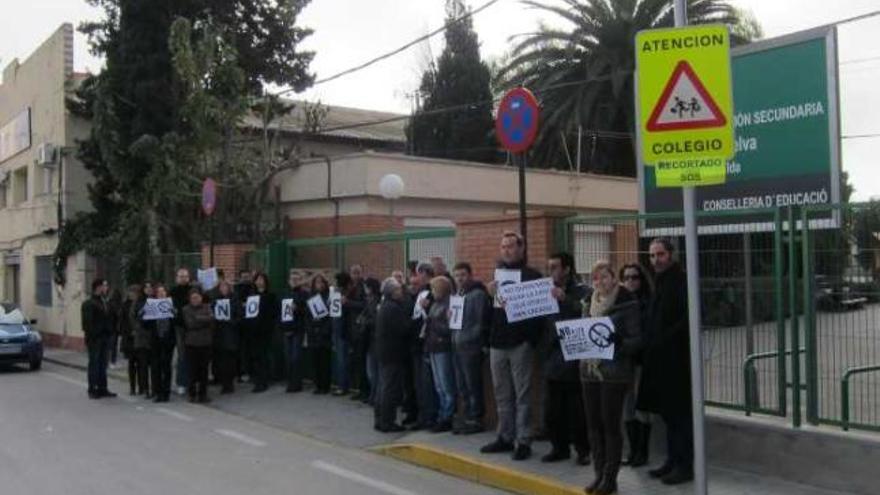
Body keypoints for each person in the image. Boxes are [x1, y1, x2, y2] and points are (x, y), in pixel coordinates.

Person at [581, 261, 643, 495]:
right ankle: (598, 475)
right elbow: (582, 332)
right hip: (589, 370)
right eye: (595, 278)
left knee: (610, 425)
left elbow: (636, 340)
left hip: (615, 373)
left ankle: (610, 477)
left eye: (604, 277)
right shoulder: (587, 303)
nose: (600, 282)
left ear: (613, 279)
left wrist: (618, 343)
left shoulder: (627, 303)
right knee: (593, 425)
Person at [481, 231, 543, 461]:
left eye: (511, 246)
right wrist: (489, 296)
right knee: (502, 394)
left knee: (523, 395)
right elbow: (490, 313)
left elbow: (539, 312)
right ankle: (505, 436)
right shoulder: (496, 277)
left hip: (520, 344)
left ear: (521, 248)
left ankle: (523, 440)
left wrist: (530, 340)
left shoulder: (532, 275)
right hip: (497, 343)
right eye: (503, 246)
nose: (507, 250)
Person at [637, 238, 693, 485]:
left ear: (671, 255)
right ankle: (672, 461)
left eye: (660, 255)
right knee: (668, 416)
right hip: (660, 360)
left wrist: (665, 339)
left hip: (677, 361)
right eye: (651, 256)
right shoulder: (660, 280)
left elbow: (687, 318)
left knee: (680, 416)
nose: (655, 260)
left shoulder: (681, 280)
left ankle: (684, 466)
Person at [541, 252, 590, 465]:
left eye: (554, 267)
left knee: (576, 410)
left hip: (573, 356)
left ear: (567, 269)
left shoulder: (582, 291)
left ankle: (583, 450)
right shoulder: (544, 291)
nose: (551, 271)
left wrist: (565, 299)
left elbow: (587, 312)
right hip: (552, 355)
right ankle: (559, 448)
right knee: (553, 410)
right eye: (549, 267)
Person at [620, 263, 654, 468]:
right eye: (627, 277)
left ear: (642, 280)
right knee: (627, 408)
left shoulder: (648, 304)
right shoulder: (620, 302)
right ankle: (633, 452)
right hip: (624, 361)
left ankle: (643, 452)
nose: (631, 281)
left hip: (642, 362)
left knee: (642, 408)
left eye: (635, 277)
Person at [450, 262, 490, 435]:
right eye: (457, 275)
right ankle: (465, 417)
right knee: (462, 385)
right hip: (457, 346)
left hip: (471, 347)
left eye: (463, 275)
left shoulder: (478, 295)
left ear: (470, 275)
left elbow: (480, 322)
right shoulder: (458, 294)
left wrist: (469, 338)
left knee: (473, 384)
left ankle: (476, 418)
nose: (459, 279)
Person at [373, 277, 409, 432]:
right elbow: (403, 329)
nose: (401, 292)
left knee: (383, 387)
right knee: (390, 388)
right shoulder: (393, 308)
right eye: (399, 289)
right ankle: (387, 421)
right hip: (393, 353)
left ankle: (380, 419)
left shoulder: (384, 306)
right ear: (392, 292)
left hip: (384, 352)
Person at [407, 262, 438, 431]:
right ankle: (423, 416)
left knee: (426, 384)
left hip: (424, 343)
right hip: (418, 343)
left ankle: (428, 417)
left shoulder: (431, 293)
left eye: (418, 275)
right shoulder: (421, 294)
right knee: (420, 383)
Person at [424, 276, 457, 433]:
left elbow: (449, 328)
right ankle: (441, 414)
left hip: (443, 347)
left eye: (434, 289)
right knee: (438, 385)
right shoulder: (435, 304)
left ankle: (447, 416)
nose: (432, 292)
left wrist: (432, 323)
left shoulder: (449, 303)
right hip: (433, 347)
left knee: (446, 384)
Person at [81, 279, 117, 399]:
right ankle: (93, 388)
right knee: (94, 363)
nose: (106, 288)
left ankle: (103, 388)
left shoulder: (105, 302)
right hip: (95, 339)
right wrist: (96, 334)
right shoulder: (89, 303)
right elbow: (87, 324)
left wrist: (110, 331)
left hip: (105, 338)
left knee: (103, 364)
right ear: (98, 287)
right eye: (105, 286)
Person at [244, 272, 278, 393]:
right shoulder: (251, 295)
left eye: (261, 279)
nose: (259, 281)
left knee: (264, 355)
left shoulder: (270, 296)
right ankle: (257, 379)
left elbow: (273, 313)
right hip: (253, 330)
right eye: (257, 279)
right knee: (255, 356)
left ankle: (264, 380)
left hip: (265, 330)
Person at [183, 288, 215, 403]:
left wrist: (198, 318)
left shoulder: (207, 307)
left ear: (201, 298)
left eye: (197, 297)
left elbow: (212, 319)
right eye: (193, 298)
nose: (195, 300)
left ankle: (203, 394)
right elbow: (190, 324)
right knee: (192, 370)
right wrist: (204, 320)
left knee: (204, 370)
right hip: (191, 343)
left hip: (205, 343)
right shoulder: (186, 309)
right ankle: (192, 394)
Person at [280, 270, 310, 393]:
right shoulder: (285, 294)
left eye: (297, 279)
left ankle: (297, 383)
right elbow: (281, 313)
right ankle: (290, 382)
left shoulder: (304, 294)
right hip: (287, 329)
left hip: (298, 329)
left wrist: (297, 309)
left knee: (295, 357)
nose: (294, 281)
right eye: (292, 279)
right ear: (289, 281)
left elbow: (307, 311)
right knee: (288, 358)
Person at [147, 284, 176, 403]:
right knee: (156, 366)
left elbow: (178, 322)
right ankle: (158, 391)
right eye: (159, 292)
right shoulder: (152, 306)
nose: (161, 294)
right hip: (156, 340)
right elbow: (146, 324)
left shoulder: (170, 305)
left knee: (166, 366)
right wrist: (144, 314)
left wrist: (174, 313)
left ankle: (166, 392)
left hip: (168, 339)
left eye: (163, 292)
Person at [345, 265, 369, 401]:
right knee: (357, 362)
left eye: (357, 273)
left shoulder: (363, 287)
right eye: (353, 272)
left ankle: (365, 391)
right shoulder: (350, 287)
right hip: (352, 329)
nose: (355, 275)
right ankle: (360, 389)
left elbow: (364, 305)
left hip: (360, 329)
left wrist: (348, 302)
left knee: (362, 361)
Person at [212, 280, 240, 394]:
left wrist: (230, 321)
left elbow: (239, 317)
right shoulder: (216, 301)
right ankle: (223, 383)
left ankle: (229, 383)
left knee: (230, 361)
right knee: (220, 361)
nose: (223, 289)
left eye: (225, 287)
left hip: (230, 334)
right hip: (219, 333)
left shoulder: (234, 300)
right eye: (221, 287)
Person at [307, 274, 333, 394]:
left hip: (324, 333)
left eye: (321, 282)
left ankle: (325, 386)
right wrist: (311, 329)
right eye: (317, 282)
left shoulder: (328, 297)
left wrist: (324, 330)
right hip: (313, 333)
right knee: (315, 360)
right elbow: (307, 316)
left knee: (325, 361)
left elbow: (330, 317)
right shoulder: (311, 297)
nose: (319, 285)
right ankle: (318, 385)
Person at [358, 277, 382, 405]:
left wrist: (364, 321)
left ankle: (375, 396)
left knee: (373, 372)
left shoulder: (377, 301)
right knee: (371, 371)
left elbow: (375, 320)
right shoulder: (370, 301)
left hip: (374, 340)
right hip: (369, 340)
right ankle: (373, 395)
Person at [126, 284, 152, 397]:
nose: (149, 289)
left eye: (151, 287)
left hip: (153, 336)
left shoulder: (155, 300)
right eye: (146, 287)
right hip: (140, 336)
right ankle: (143, 387)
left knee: (150, 364)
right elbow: (132, 318)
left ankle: (149, 388)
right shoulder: (137, 303)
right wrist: (137, 329)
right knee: (142, 364)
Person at [171, 268, 193, 396]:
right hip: (179, 326)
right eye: (181, 276)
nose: (183, 278)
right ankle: (181, 383)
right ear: (177, 278)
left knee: (191, 354)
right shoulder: (173, 291)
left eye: (185, 276)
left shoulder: (193, 290)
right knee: (182, 355)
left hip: (191, 326)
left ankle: (190, 381)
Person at [331, 272, 353, 396]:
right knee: (341, 359)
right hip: (339, 329)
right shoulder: (339, 293)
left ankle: (343, 385)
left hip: (341, 330)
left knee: (342, 359)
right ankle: (342, 385)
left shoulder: (342, 294)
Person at [234, 270, 255, 382]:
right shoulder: (237, 289)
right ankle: (240, 372)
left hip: (250, 323)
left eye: (247, 276)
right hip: (240, 323)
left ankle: (249, 371)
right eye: (244, 277)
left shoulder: (253, 288)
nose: (246, 279)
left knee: (249, 349)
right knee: (240, 350)